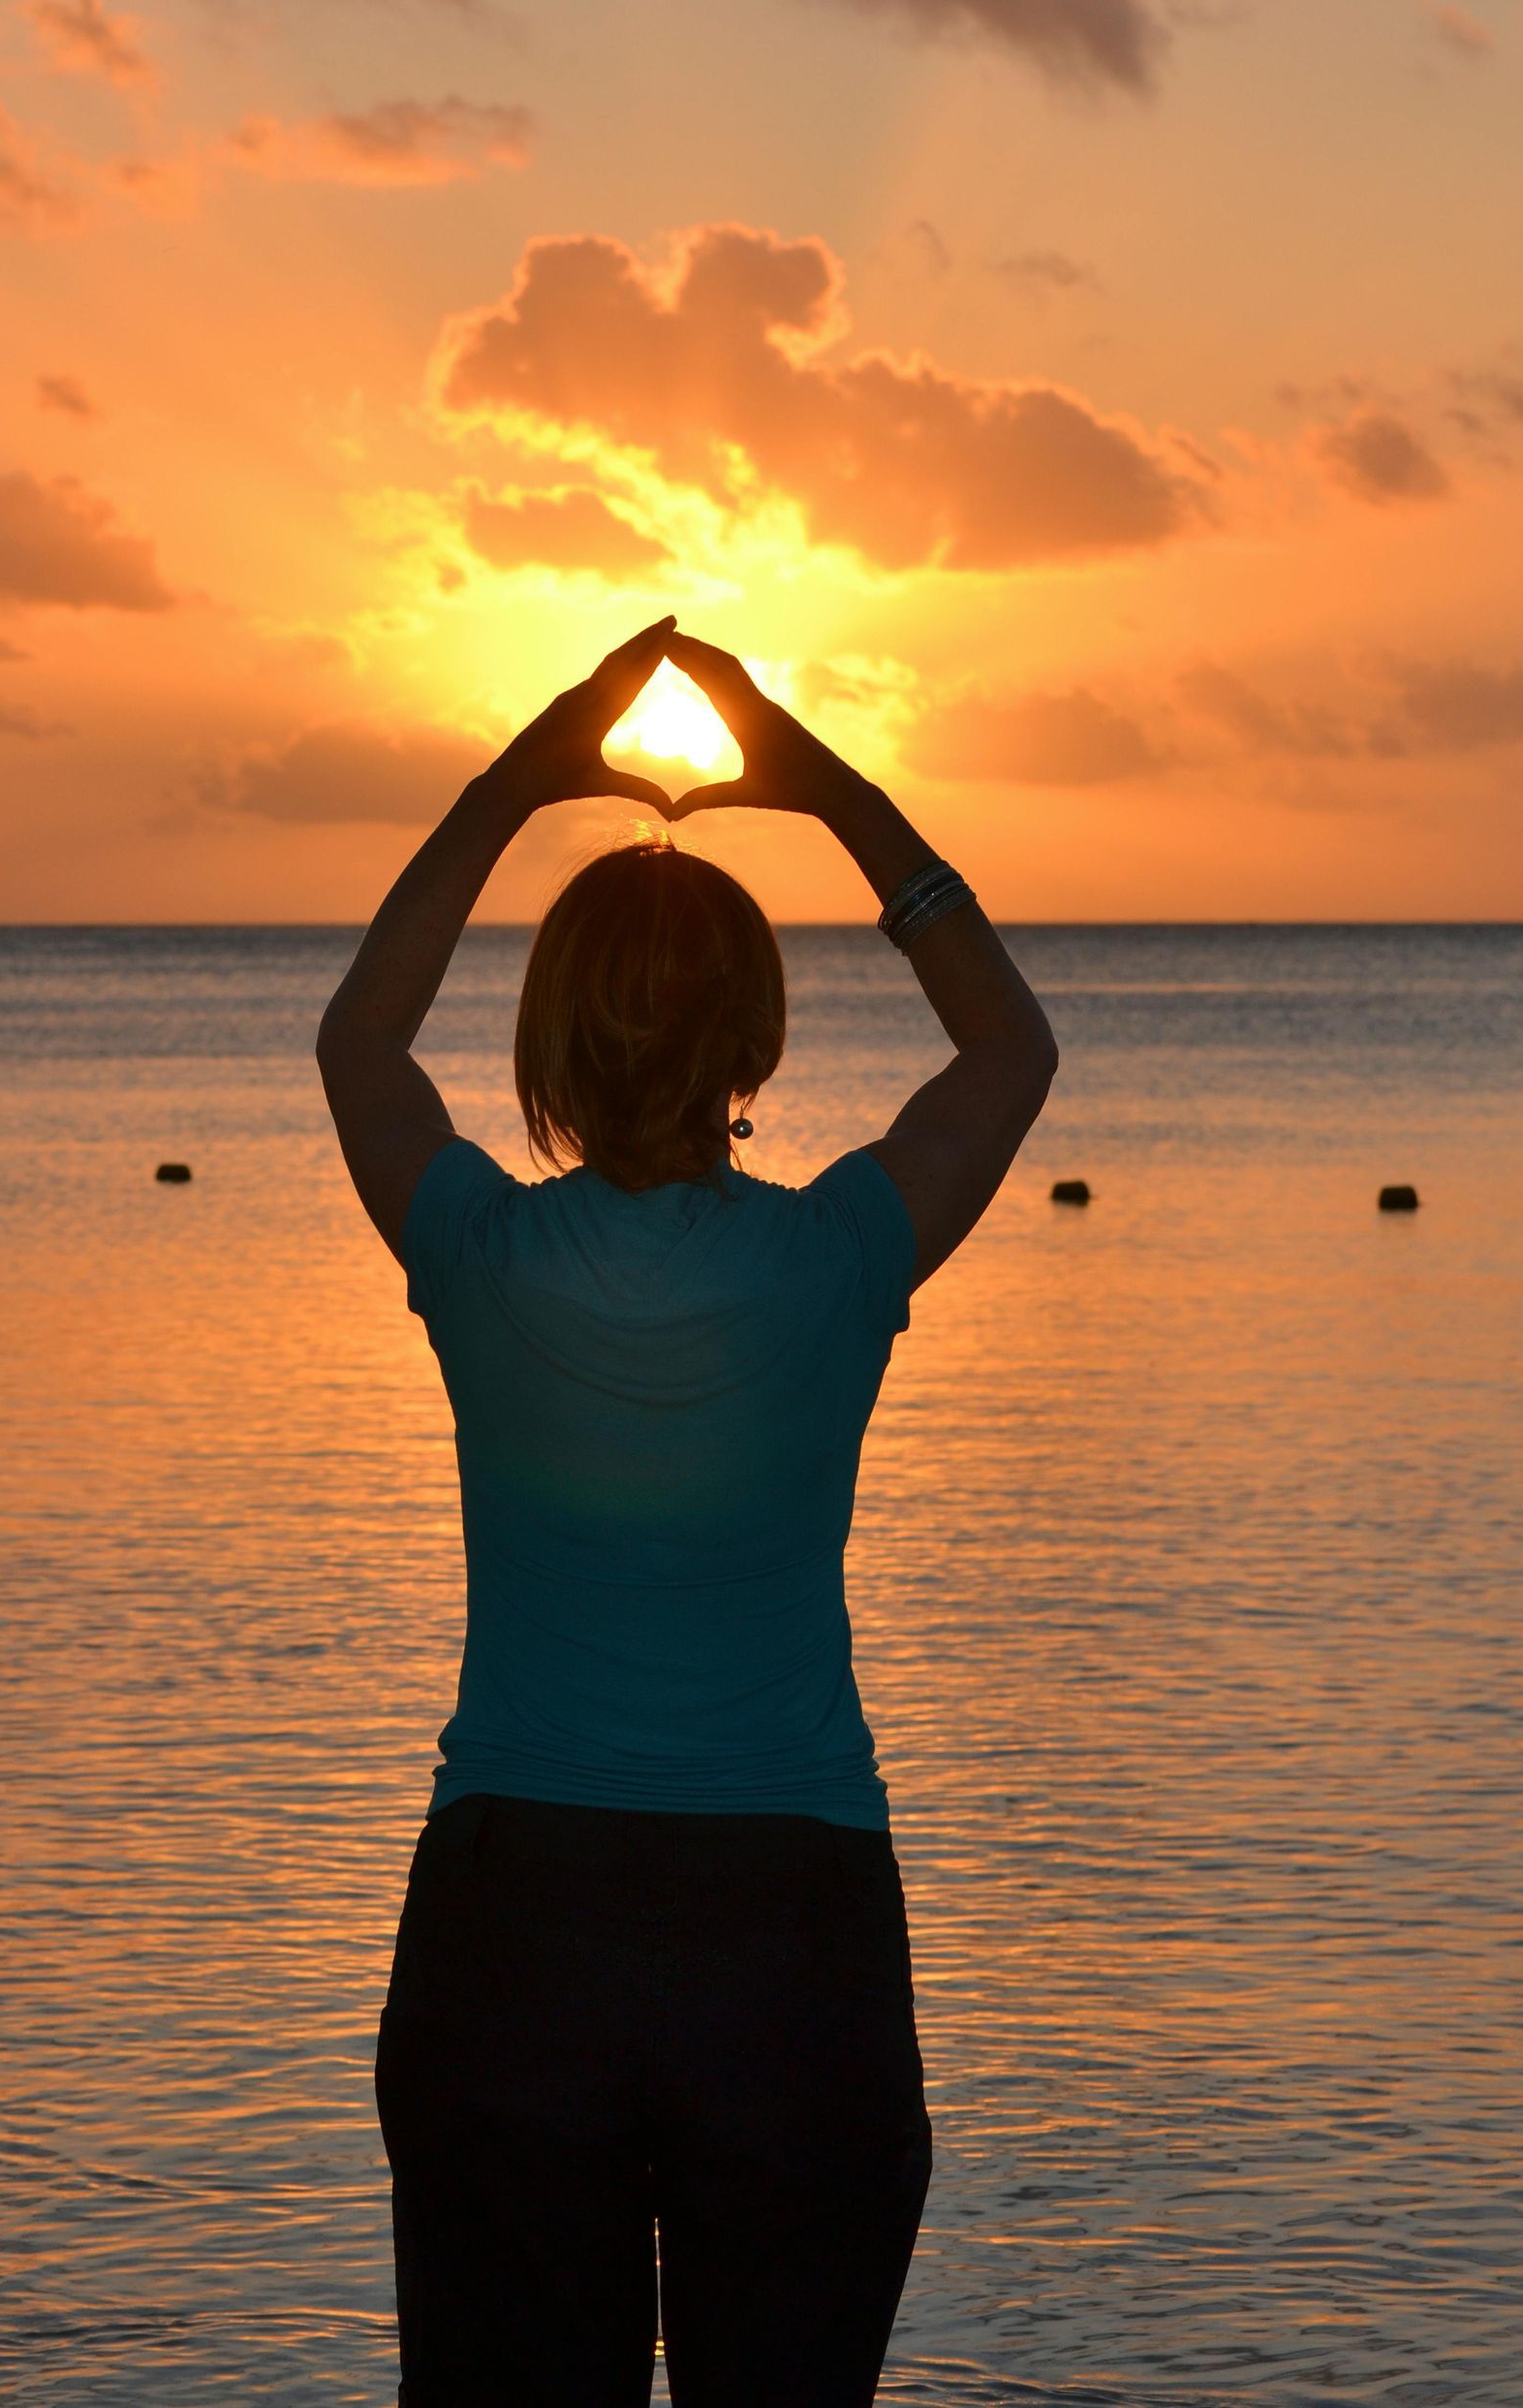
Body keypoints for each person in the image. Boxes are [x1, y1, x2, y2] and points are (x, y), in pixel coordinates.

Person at [317, 616, 1060, 2406]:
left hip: (520, 1932)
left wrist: (517, 781)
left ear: (550, 1038)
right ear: (759, 1034)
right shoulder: (836, 1255)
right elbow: (1010, 1051)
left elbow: (359, 1036)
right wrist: (833, 798)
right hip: (786, 1934)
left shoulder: (483, 1250)